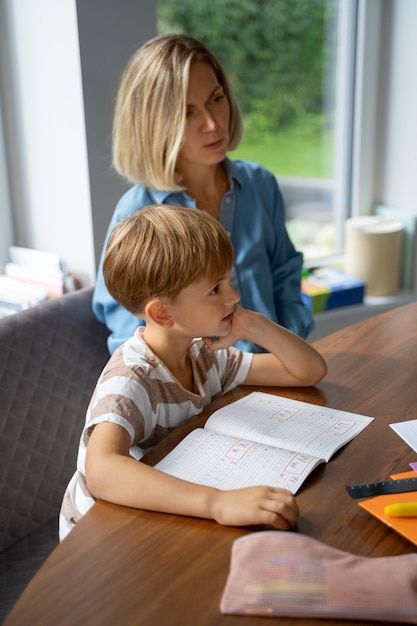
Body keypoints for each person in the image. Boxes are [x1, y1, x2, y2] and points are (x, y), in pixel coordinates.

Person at [60, 205, 327, 541]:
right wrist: (217, 502)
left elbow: (307, 371)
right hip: (100, 538)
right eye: (215, 289)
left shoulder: (202, 355)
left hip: (161, 508)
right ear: (162, 312)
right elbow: (101, 471)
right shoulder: (131, 379)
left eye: (229, 281)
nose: (235, 296)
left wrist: (253, 324)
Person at [92, 33, 314, 355]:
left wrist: (288, 353)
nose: (212, 124)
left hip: (280, 378)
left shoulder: (261, 185)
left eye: (215, 99)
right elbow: (131, 340)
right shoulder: (137, 213)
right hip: (203, 395)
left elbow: (285, 281)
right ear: (153, 125)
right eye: (187, 113)